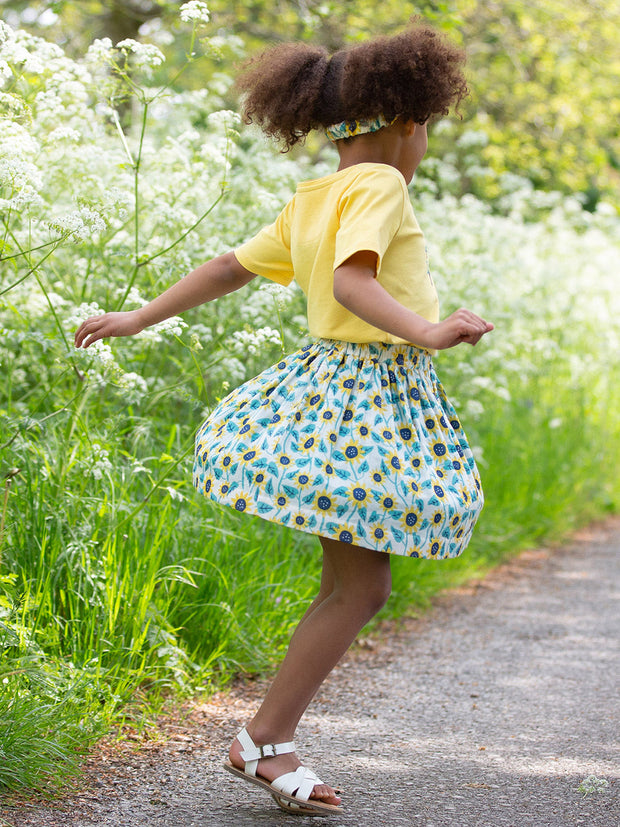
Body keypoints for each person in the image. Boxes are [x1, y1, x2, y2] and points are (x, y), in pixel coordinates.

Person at [75, 23, 493, 816]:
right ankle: (266, 739)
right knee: (361, 589)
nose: (426, 141)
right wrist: (431, 330)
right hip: (369, 398)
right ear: (409, 121)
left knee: (353, 586)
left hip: (332, 395)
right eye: (429, 126)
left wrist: (139, 315)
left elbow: (230, 266)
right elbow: (350, 282)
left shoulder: (317, 193)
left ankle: (267, 735)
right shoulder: (380, 186)